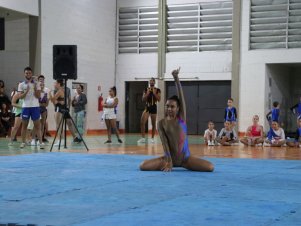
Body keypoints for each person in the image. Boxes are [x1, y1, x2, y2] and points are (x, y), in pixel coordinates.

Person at [140, 68, 214, 172]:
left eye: (172, 106)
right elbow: (165, 144)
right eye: (167, 106)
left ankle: (178, 163)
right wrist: (169, 161)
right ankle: (169, 162)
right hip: (168, 159)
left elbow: (181, 96)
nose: (169, 109)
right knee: (143, 166)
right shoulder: (161, 123)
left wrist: (176, 78)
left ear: (178, 108)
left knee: (210, 167)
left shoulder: (181, 118)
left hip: (185, 159)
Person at [17, 67, 45, 149]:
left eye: (29, 73)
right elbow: (20, 97)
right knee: (24, 126)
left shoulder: (37, 83)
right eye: (26, 73)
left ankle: (40, 143)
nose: (28, 74)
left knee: (37, 126)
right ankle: (23, 142)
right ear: (24, 74)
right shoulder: (21, 84)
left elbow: (38, 96)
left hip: (35, 107)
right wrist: (26, 91)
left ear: (31, 74)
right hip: (25, 107)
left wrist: (35, 87)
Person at [49, 80, 81, 145]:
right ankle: (61, 140)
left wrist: (49, 93)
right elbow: (57, 101)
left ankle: (60, 140)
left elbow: (53, 100)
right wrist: (58, 102)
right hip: (60, 108)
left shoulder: (60, 91)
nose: (54, 84)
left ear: (58, 84)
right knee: (60, 125)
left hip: (62, 108)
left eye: (55, 83)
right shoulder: (59, 90)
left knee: (59, 125)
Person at [137, 77, 161, 143]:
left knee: (153, 124)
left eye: (153, 81)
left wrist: (154, 93)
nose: (151, 82)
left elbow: (159, 99)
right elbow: (143, 99)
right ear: (149, 82)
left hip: (154, 107)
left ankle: (152, 138)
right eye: (150, 81)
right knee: (142, 122)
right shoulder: (145, 89)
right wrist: (147, 94)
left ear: (154, 82)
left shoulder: (158, 90)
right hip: (147, 107)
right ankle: (143, 138)